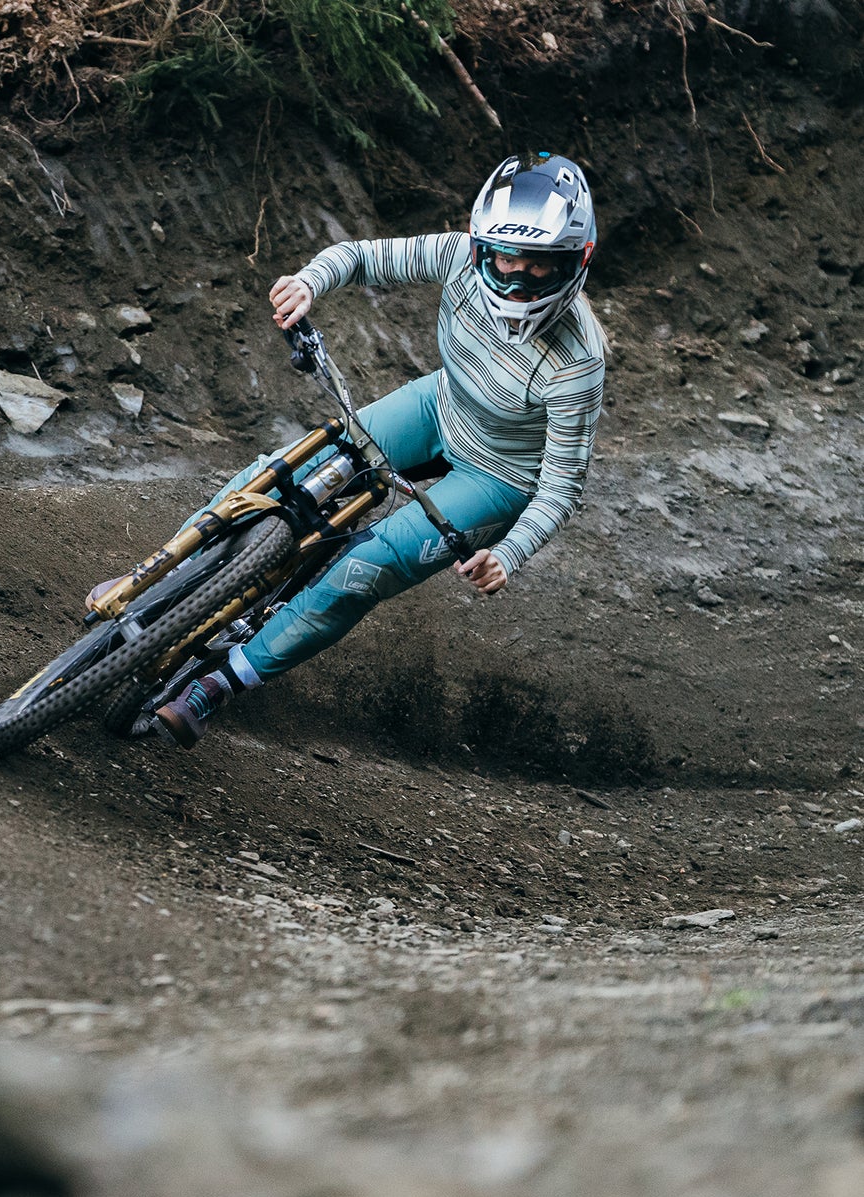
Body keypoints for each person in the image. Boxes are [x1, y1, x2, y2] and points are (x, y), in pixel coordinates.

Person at [148, 151, 607, 749]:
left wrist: (509, 554)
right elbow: (363, 256)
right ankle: (155, 577)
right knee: (290, 468)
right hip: (440, 405)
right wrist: (310, 282)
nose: (517, 278)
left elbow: (561, 487)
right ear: (480, 247)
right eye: (504, 258)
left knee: (364, 569)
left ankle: (219, 686)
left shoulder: (579, 364)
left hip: (500, 474)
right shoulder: (455, 255)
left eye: (539, 265)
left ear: (576, 261)